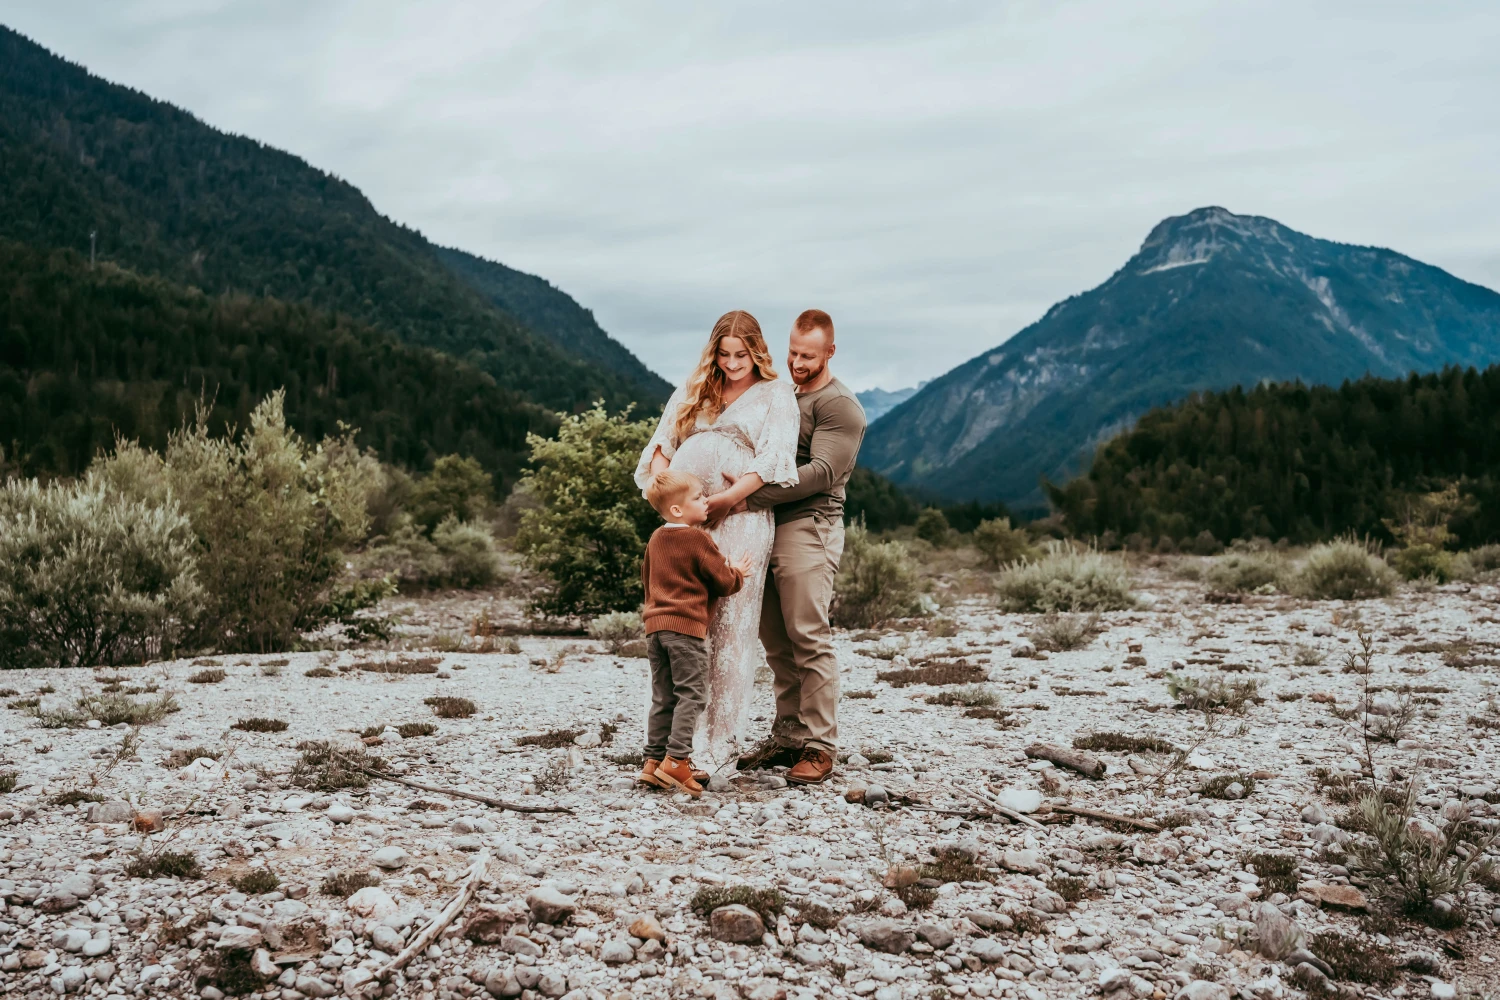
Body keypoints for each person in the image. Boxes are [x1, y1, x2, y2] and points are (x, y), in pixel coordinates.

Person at [633, 310, 801, 768]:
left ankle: (716, 746)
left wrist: (726, 499)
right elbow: (661, 448)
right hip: (688, 522)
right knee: (688, 620)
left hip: (740, 517)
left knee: (729, 626)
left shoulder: (775, 394)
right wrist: (673, 499)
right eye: (724, 355)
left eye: (740, 355)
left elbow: (774, 458)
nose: (731, 364)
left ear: (757, 352)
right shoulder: (694, 389)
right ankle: (676, 748)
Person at [722, 309, 866, 785]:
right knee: (775, 641)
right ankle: (788, 737)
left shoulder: (840, 406)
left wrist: (743, 496)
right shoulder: (782, 394)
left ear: (830, 351)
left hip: (810, 525)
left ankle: (821, 747)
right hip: (765, 526)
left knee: (808, 635)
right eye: (792, 352)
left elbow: (821, 473)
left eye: (808, 355)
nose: (797, 362)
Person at [636, 470, 752, 797]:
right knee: (692, 694)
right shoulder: (698, 538)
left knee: (663, 696)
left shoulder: (656, 538)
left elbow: (648, 580)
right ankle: (677, 760)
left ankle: (653, 762)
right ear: (677, 510)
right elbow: (722, 582)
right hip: (685, 629)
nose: (706, 501)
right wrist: (737, 573)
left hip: (655, 629)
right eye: (699, 497)